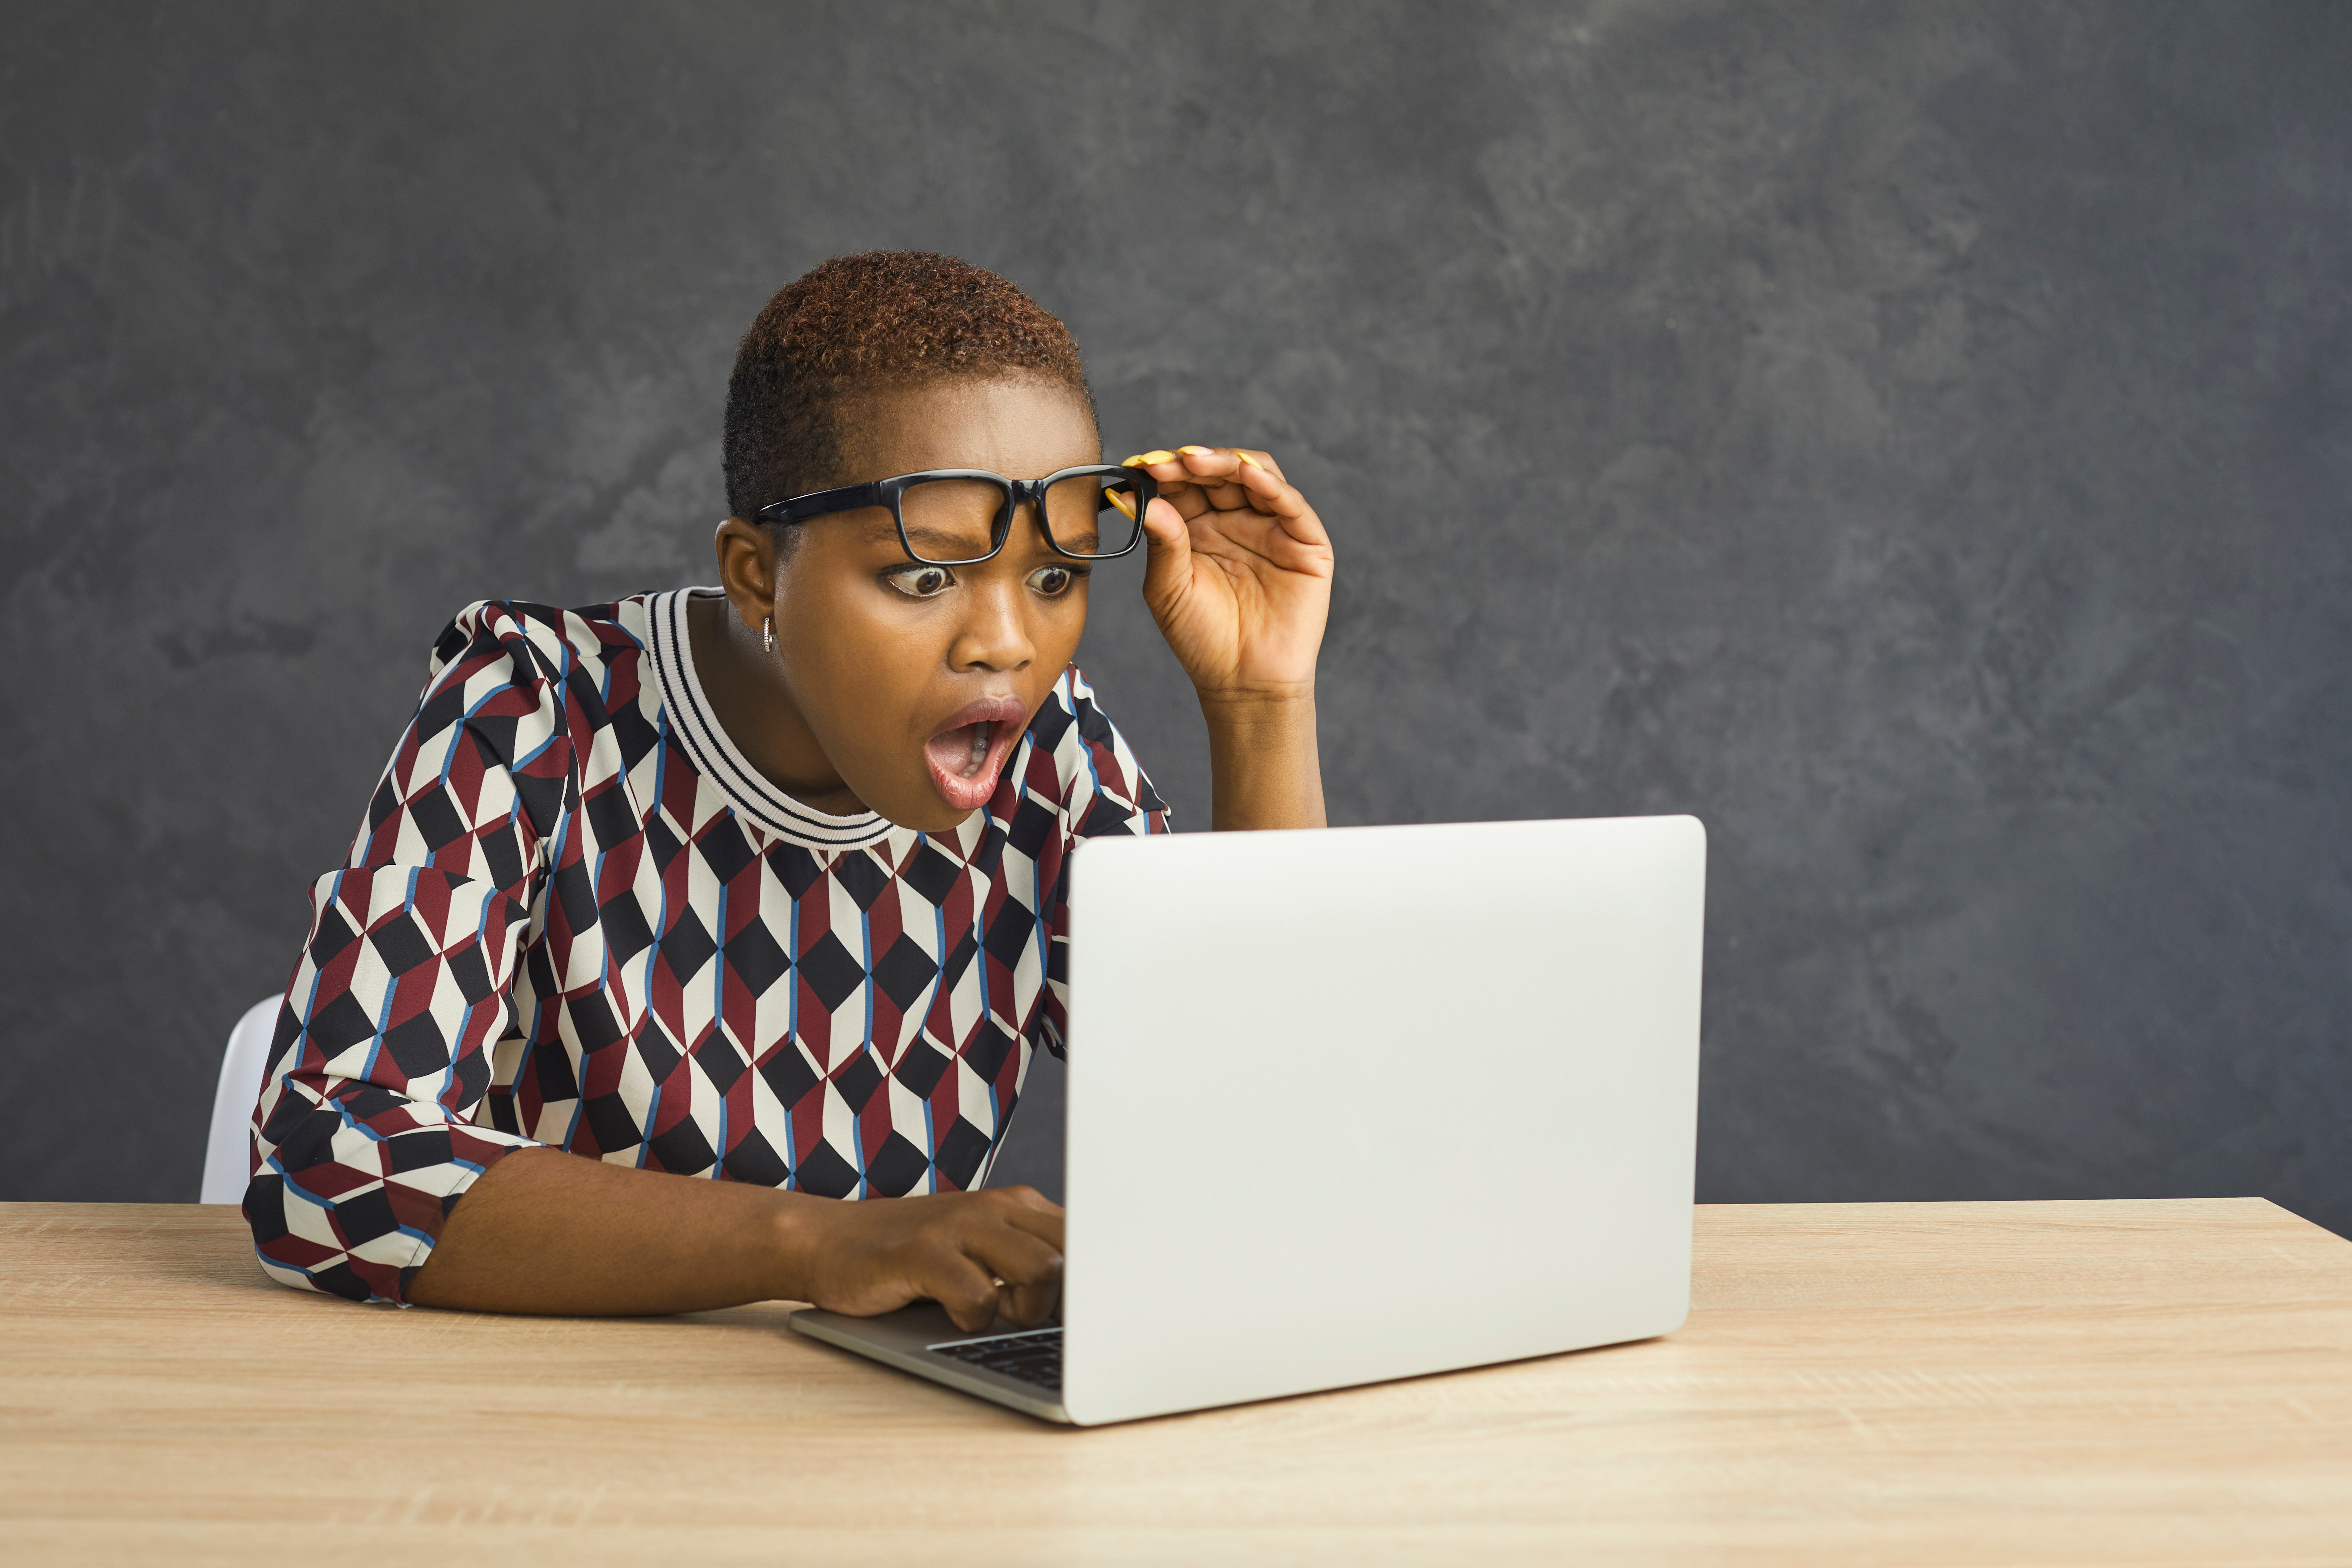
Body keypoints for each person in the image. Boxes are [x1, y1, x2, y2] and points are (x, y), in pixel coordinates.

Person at [243, 251, 1333, 1329]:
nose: (1005, 642)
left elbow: (1261, 1133)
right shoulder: (538, 708)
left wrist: (1258, 705)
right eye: (923, 575)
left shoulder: (1047, 759)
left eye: (1054, 577)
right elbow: (327, 1160)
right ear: (756, 573)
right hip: (540, 1423)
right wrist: (819, 1241)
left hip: (864, 1431)